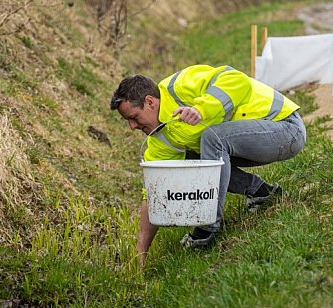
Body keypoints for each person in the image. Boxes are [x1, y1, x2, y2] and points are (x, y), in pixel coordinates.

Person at [110, 64, 306, 266]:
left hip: (285, 128)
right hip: (255, 143)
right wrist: (140, 252)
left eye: (133, 118)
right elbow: (154, 190)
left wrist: (201, 109)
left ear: (150, 102)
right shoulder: (160, 138)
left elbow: (236, 79)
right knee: (187, 161)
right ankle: (262, 192)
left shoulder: (179, 87)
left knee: (213, 139)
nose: (132, 127)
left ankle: (207, 227)